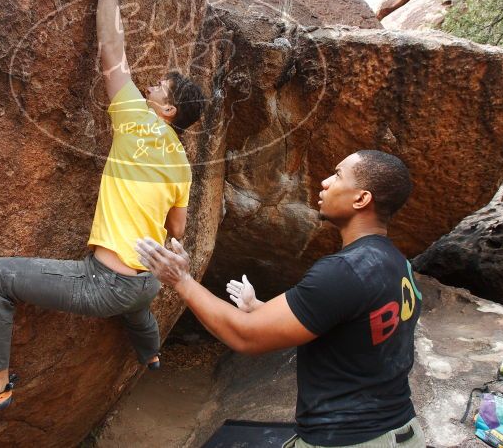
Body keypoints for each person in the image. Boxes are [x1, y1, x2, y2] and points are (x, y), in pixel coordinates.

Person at [0, 0, 205, 413]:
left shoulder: (137, 118)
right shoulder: (182, 162)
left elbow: (110, 45)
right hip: (144, 282)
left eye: (159, 85)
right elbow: (176, 231)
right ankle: (152, 354)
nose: (151, 83)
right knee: (139, 306)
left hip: (106, 283)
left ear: (167, 108)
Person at [135, 150, 426, 447]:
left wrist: (181, 280)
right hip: (400, 431)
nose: (324, 183)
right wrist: (259, 309)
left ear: (361, 199)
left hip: (349, 440)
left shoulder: (342, 271)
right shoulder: (395, 263)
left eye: (337, 175)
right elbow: (347, 328)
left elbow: (245, 337)